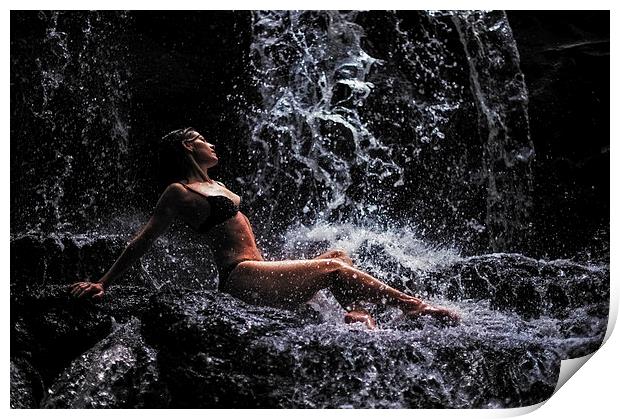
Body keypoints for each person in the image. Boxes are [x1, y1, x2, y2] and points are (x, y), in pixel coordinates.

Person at [70, 127, 460, 329]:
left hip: (259, 272)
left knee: (338, 255)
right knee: (335, 269)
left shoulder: (217, 186)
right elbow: (144, 238)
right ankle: (414, 306)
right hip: (240, 279)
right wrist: (104, 282)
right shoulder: (179, 191)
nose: (212, 145)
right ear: (189, 147)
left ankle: (357, 316)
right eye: (203, 140)